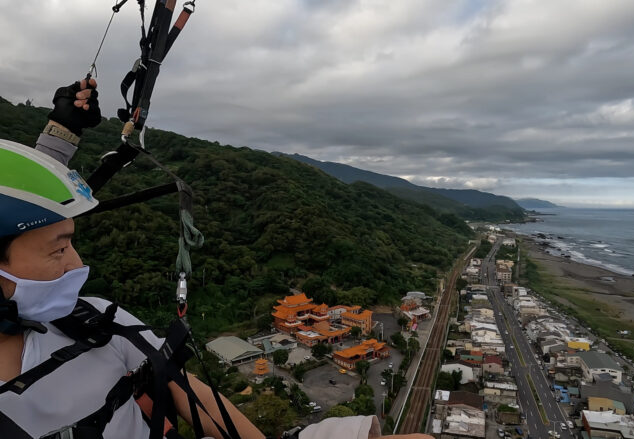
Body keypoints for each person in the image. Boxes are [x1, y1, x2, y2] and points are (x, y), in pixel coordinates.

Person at [0, 79, 432, 439]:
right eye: (59, 250)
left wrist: (62, 131)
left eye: (72, 243)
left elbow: (191, 395)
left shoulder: (92, 320)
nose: (78, 266)